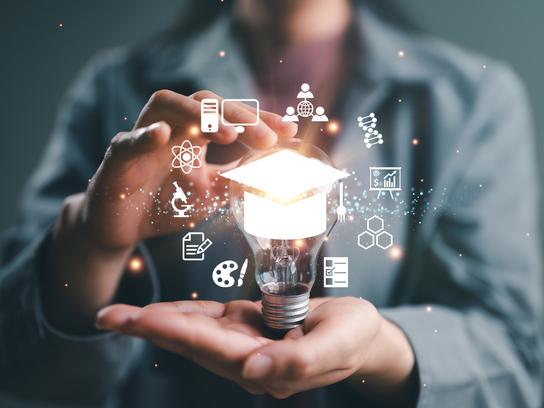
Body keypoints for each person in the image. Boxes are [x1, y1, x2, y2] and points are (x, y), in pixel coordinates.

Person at [0, 0, 542, 407]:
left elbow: (519, 362)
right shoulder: (116, 87)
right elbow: (21, 364)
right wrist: (93, 240)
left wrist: (382, 347)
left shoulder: (470, 100)